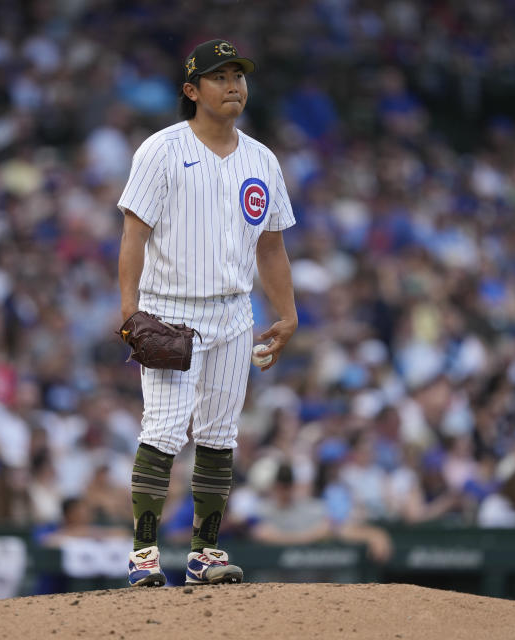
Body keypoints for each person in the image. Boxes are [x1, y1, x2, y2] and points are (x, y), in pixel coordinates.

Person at [118, 39, 297, 587]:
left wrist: (286, 314)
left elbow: (270, 247)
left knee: (220, 435)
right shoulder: (161, 150)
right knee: (167, 428)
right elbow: (134, 233)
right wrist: (129, 309)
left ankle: (204, 553)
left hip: (234, 313)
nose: (234, 85)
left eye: (239, 75)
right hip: (170, 310)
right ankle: (145, 553)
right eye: (220, 77)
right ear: (192, 90)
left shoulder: (261, 159)